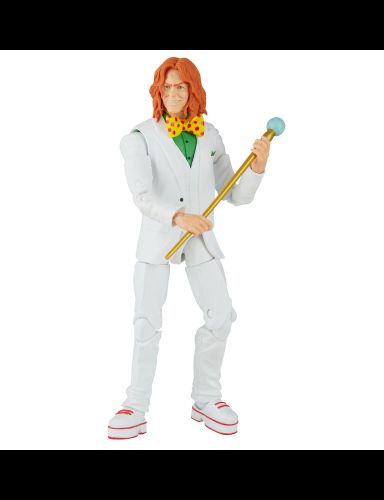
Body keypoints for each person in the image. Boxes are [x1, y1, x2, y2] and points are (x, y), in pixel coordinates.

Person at [108, 57, 270, 439]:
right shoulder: (138, 138)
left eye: (180, 86)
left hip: (201, 238)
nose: (172, 93)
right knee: (146, 322)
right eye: (166, 87)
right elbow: (142, 196)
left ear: (193, 90)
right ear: (157, 91)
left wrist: (258, 167)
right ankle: (135, 404)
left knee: (222, 315)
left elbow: (235, 194)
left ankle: (206, 398)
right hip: (158, 239)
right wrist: (179, 217)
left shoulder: (209, 135)